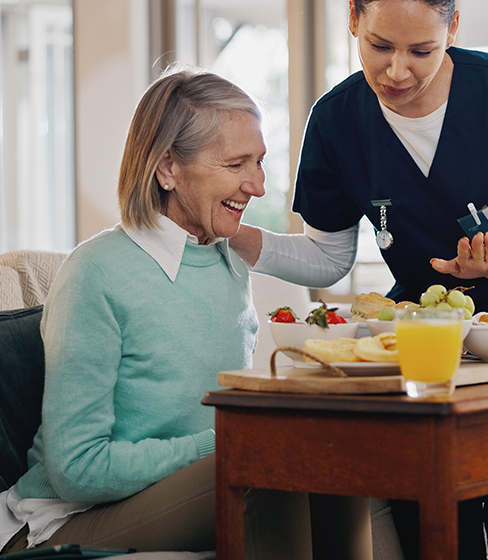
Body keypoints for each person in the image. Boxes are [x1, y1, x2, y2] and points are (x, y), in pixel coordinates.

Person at [229, 0, 488, 558]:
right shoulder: (336, 119)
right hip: (437, 313)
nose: (397, 72)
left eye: (421, 51)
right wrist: (238, 238)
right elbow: (327, 257)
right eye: (379, 47)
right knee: (424, 463)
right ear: (353, 20)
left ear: (453, 28)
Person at [0, 67, 372, 560]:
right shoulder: (96, 273)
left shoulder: (225, 261)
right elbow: (76, 467)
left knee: (339, 454)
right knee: (263, 467)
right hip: (69, 517)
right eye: (237, 164)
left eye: (260, 163)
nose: (258, 187)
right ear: (168, 168)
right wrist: (219, 443)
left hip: (175, 489)